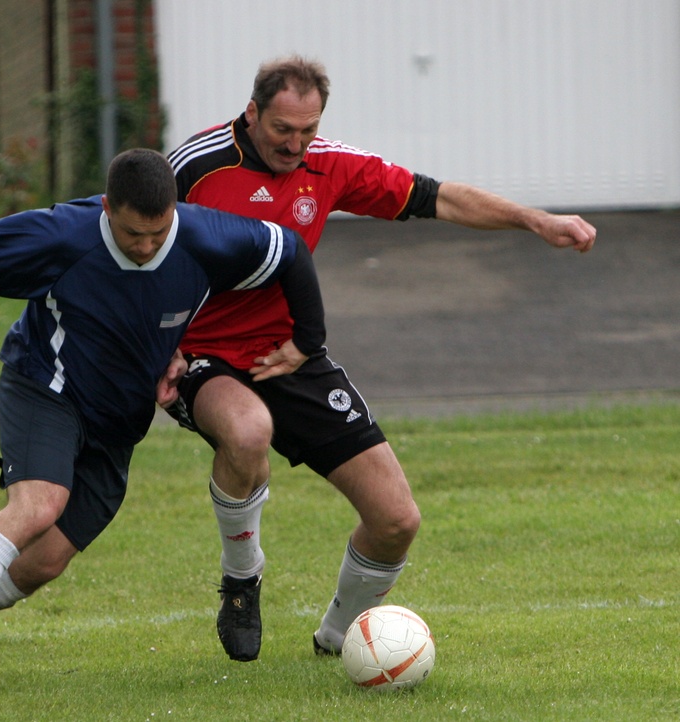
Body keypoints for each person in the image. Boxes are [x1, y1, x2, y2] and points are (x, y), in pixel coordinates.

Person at [0, 148, 326, 684]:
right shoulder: (59, 236)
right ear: (106, 207)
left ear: (175, 210)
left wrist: (308, 340)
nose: (146, 247)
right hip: (46, 386)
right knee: (40, 504)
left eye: (158, 233)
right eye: (132, 234)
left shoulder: (207, 237)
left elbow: (289, 251)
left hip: (118, 421)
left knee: (44, 562)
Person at [165, 55, 597, 662]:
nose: (294, 144)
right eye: (282, 129)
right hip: (202, 354)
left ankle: (339, 641)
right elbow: (127, 242)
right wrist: (158, 346)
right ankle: (242, 580)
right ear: (252, 112)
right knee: (248, 431)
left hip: (290, 353)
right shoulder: (196, 165)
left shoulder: (329, 164)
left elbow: (438, 198)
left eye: (308, 129)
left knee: (396, 520)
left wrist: (535, 221)